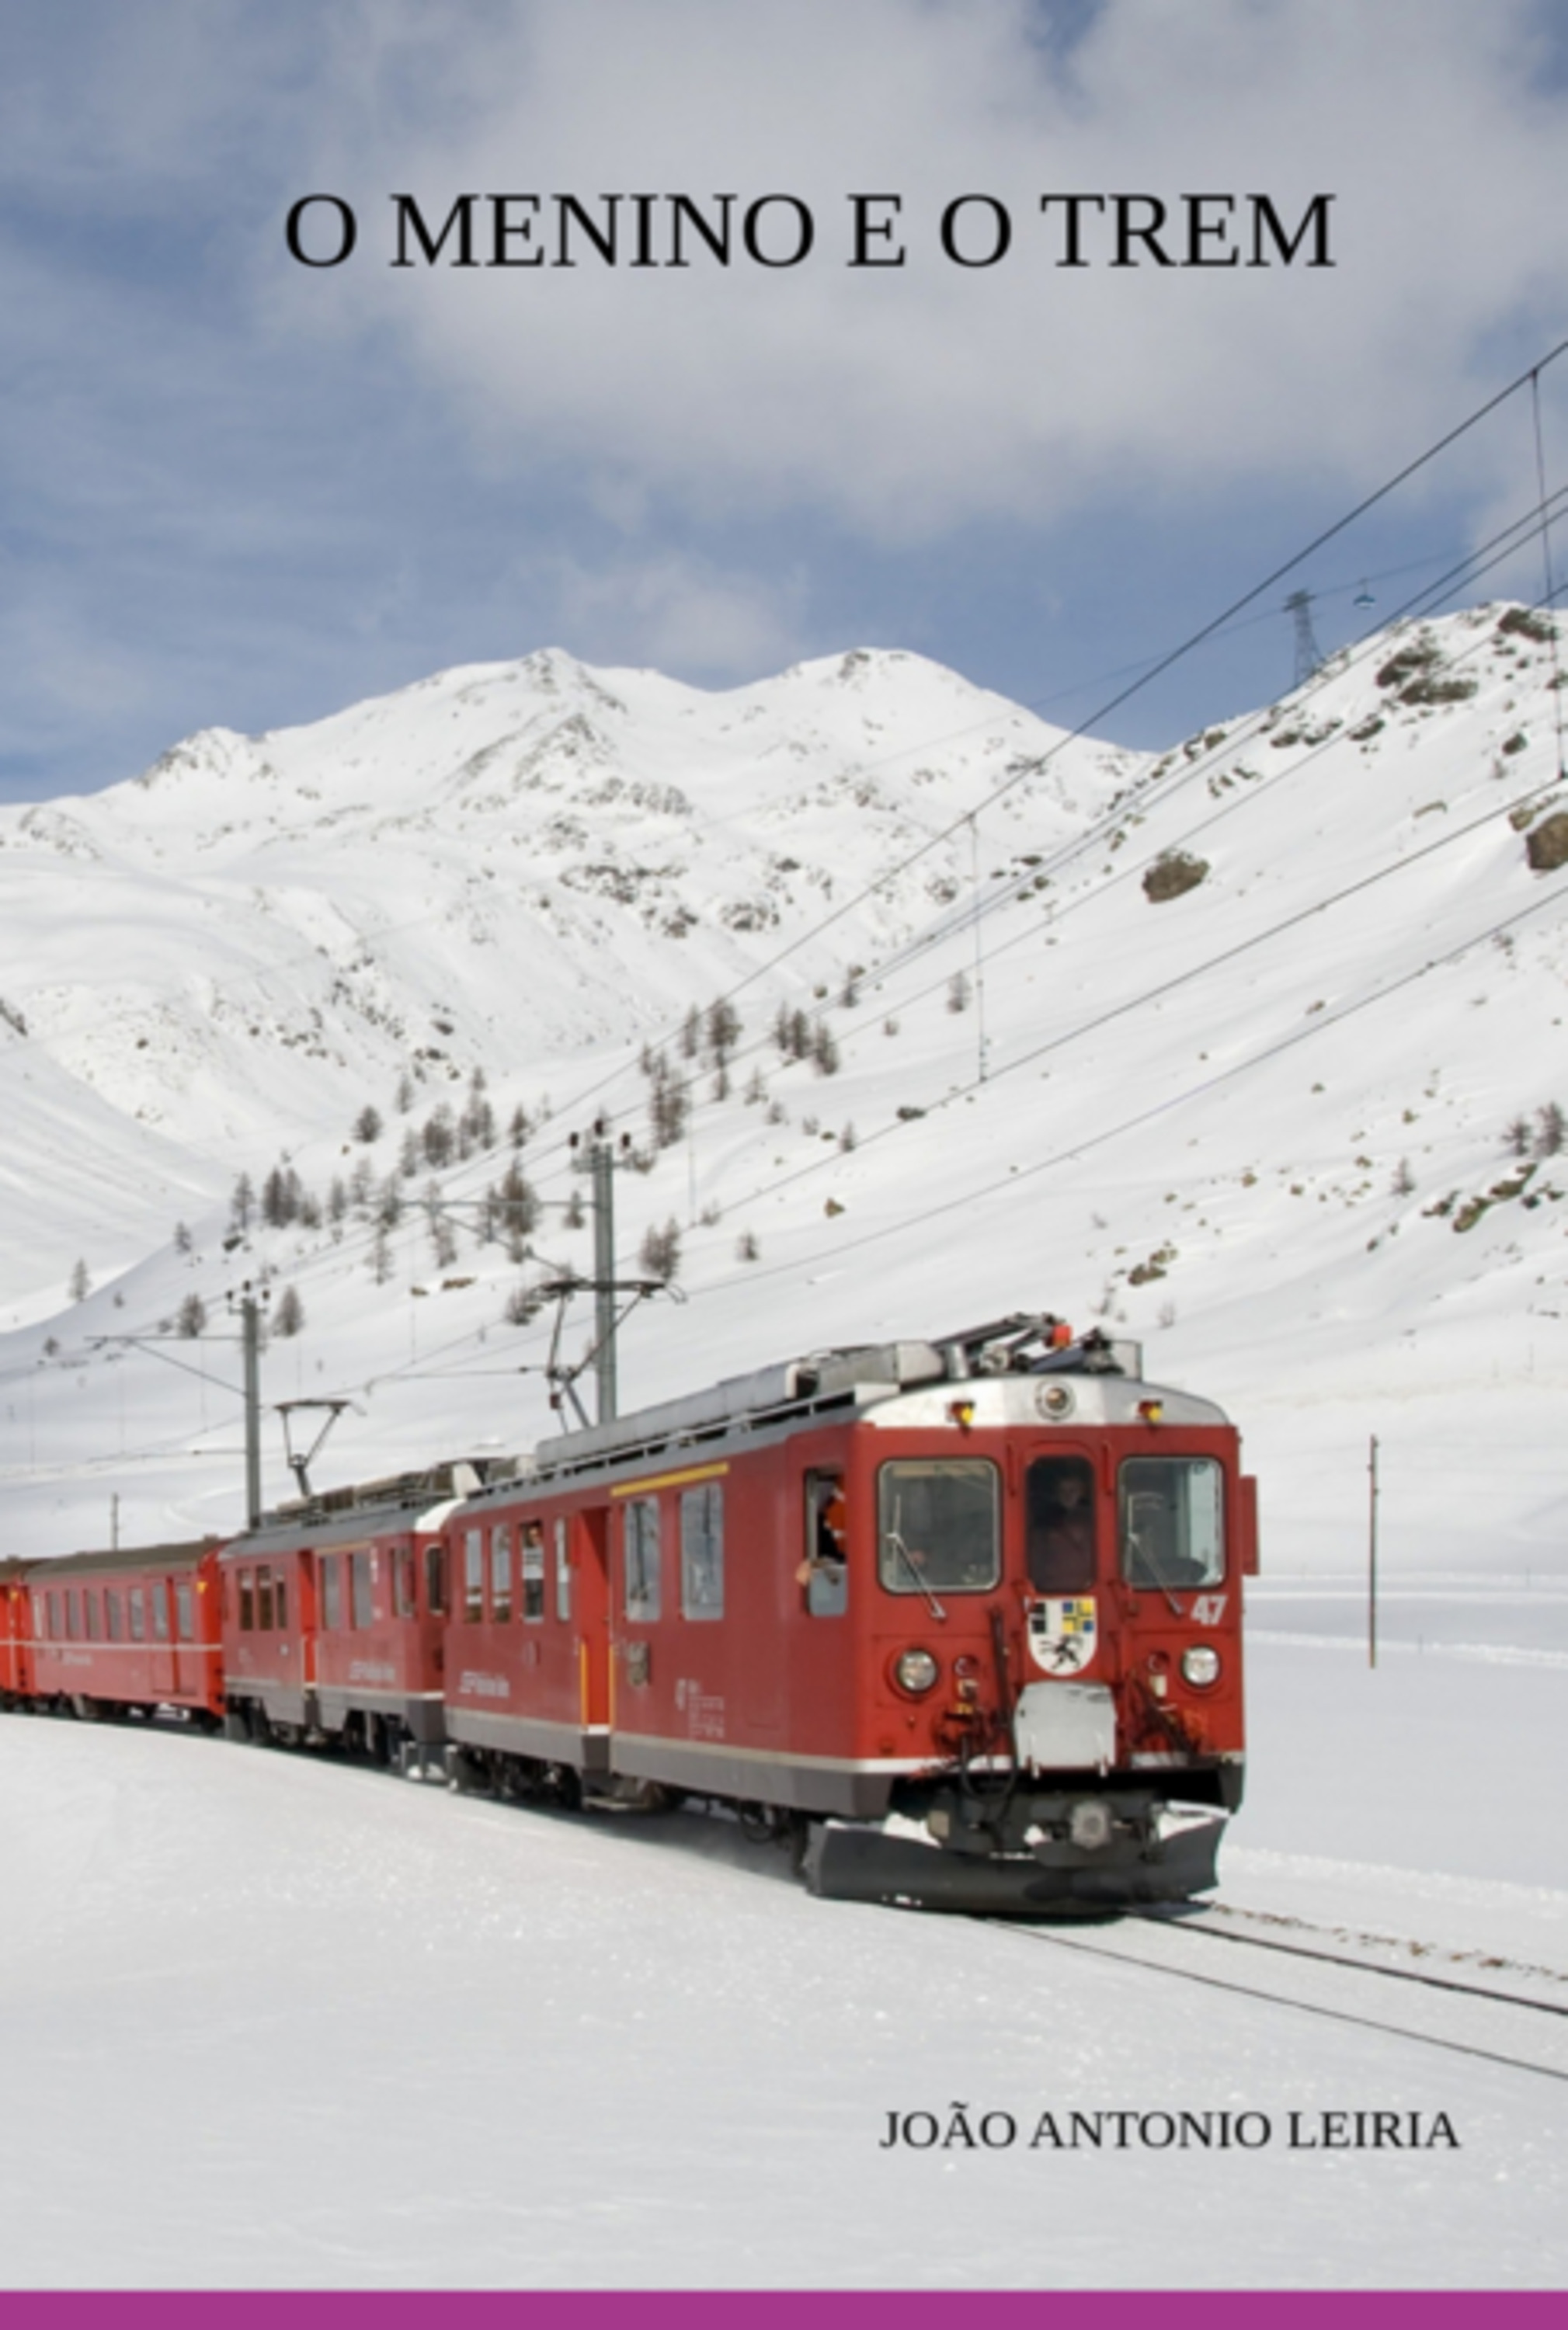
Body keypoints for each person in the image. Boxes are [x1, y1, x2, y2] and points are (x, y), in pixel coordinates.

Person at [1027, 1465, 1097, 1592]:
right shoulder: (1044, 1525)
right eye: (1062, 1491)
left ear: (1083, 1491)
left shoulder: (1098, 1522)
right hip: (1051, 1591)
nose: (1067, 1495)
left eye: (1073, 1490)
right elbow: (1036, 1562)